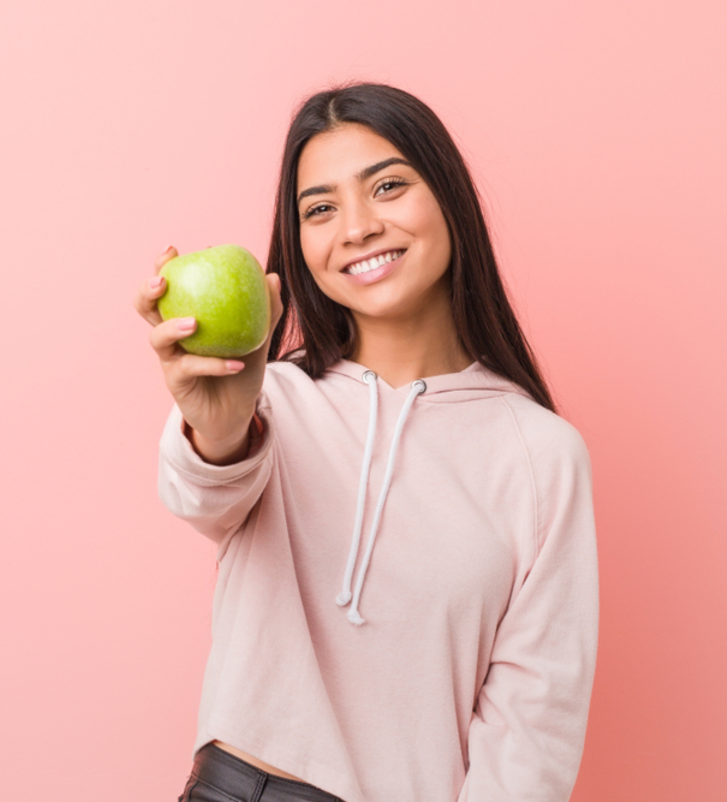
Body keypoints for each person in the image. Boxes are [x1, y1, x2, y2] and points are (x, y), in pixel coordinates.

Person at [134, 83, 598, 802]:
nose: (356, 228)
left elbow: (533, 735)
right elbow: (200, 494)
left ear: (448, 196)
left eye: (387, 187)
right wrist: (219, 425)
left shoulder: (541, 454)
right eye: (320, 208)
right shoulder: (272, 404)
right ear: (299, 243)